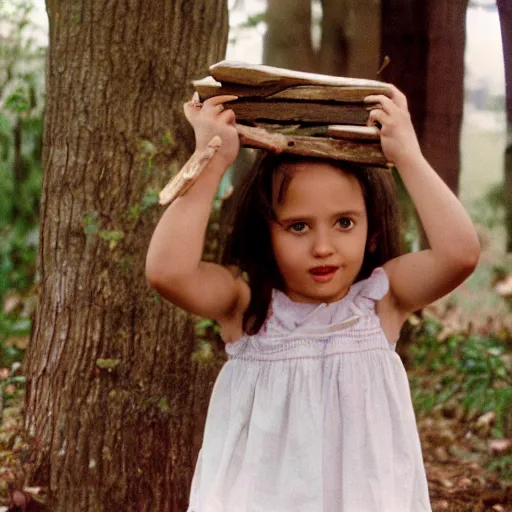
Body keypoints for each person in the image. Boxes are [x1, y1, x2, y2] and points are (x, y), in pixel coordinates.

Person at [145, 88, 480, 512]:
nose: (324, 247)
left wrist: (408, 156)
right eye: (298, 227)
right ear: (266, 234)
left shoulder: (381, 300)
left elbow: (461, 255)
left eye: (344, 223)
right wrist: (211, 161)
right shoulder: (247, 307)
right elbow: (166, 272)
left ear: (372, 230)